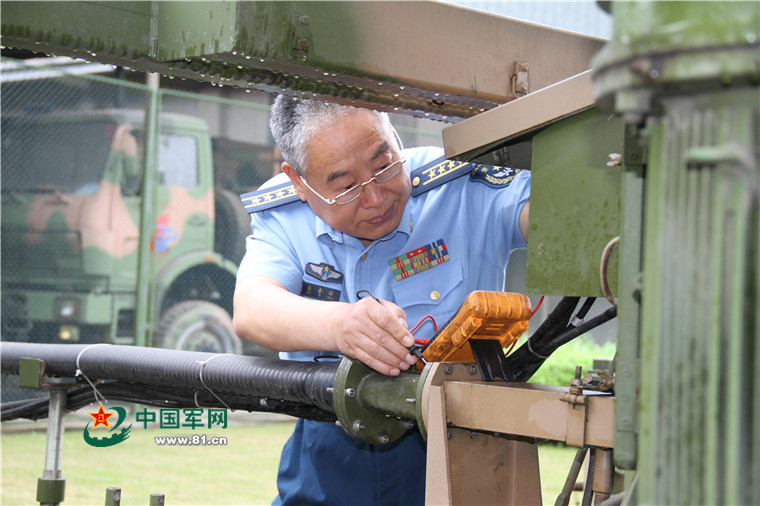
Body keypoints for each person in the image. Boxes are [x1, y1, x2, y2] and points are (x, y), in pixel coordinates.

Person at [233, 95, 530, 505]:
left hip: (460, 440)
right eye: (345, 186)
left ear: (395, 136)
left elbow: (560, 221)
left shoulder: (459, 182)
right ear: (299, 182)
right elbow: (252, 308)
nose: (375, 198)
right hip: (328, 441)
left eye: (384, 164)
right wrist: (341, 327)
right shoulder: (283, 214)